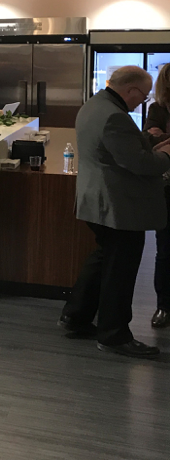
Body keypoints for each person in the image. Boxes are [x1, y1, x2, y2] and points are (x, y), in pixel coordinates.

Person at [60, 66, 170, 358]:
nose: (143, 101)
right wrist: (166, 155)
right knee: (120, 269)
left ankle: (75, 316)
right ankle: (114, 335)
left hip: (97, 200)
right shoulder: (115, 116)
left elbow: (121, 149)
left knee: (104, 258)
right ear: (131, 90)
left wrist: (154, 144)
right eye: (143, 96)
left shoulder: (94, 105)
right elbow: (140, 164)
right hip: (118, 205)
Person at [144, 62, 170, 328]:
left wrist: (164, 137)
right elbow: (150, 140)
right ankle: (164, 306)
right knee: (165, 249)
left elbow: (158, 138)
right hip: (167, 184)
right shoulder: (157, 108)